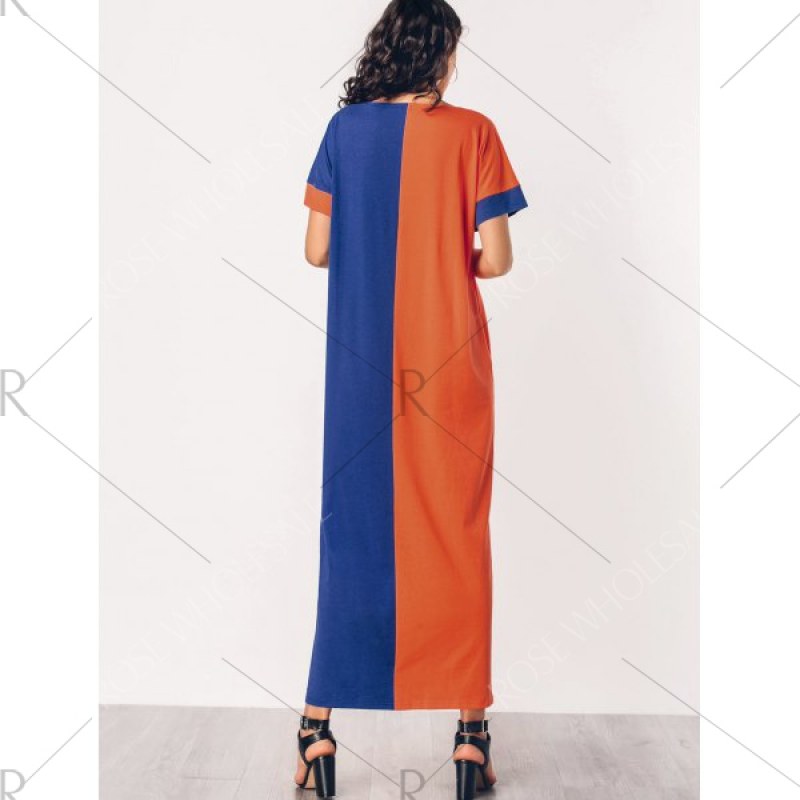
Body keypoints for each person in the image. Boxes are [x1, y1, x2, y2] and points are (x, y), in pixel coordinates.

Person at [297, 1, 527, 797]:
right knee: (458, 533)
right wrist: (443, 247)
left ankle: (317, 732)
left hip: (361, 372)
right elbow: (496, 260)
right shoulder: (475, 133)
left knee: (353, 534)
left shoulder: (343, 132)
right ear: (443, 55)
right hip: (450, 364)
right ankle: (469, 737)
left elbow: (317, 250)